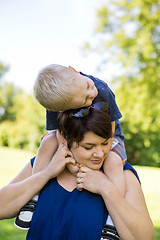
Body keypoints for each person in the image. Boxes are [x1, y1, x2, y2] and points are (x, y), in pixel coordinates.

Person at [14, 64, 127, 230]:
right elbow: (57, 132)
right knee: (47, 141)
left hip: (108, 135)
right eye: (85, 100)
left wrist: (102, 150)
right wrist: (67, 156)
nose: (92, 93)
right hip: (73, 135)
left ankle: (112, 222)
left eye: (88, 87)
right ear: (62, 108)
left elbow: (108, 132)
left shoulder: (101, 89)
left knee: (114, 162)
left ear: (74, 70)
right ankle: (34, 198)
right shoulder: (57, 101)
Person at [24, 98, 153, 240]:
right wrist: (46, 174)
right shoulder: (45, 163)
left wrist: (106, 188)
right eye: (88, 147)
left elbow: (145, 237)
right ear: (65, 140)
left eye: (105, 143)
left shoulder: (123, 174)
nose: (100, 154)